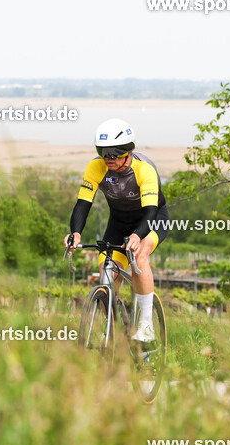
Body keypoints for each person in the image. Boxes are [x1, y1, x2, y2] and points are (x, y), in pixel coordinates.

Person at [63, 119, 168, 342]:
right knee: (106, 274)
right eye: (104, 153)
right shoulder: (95, 166)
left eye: (115, 154)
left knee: (139, 257)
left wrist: (138, 236)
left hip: (152, 220)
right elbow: (83, 204)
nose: (109, 159)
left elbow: (150, 212)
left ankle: (146, 325)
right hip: (119, 222)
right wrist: (76, 232)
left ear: (128, 151)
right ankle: (114, 330)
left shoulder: (144, 169)